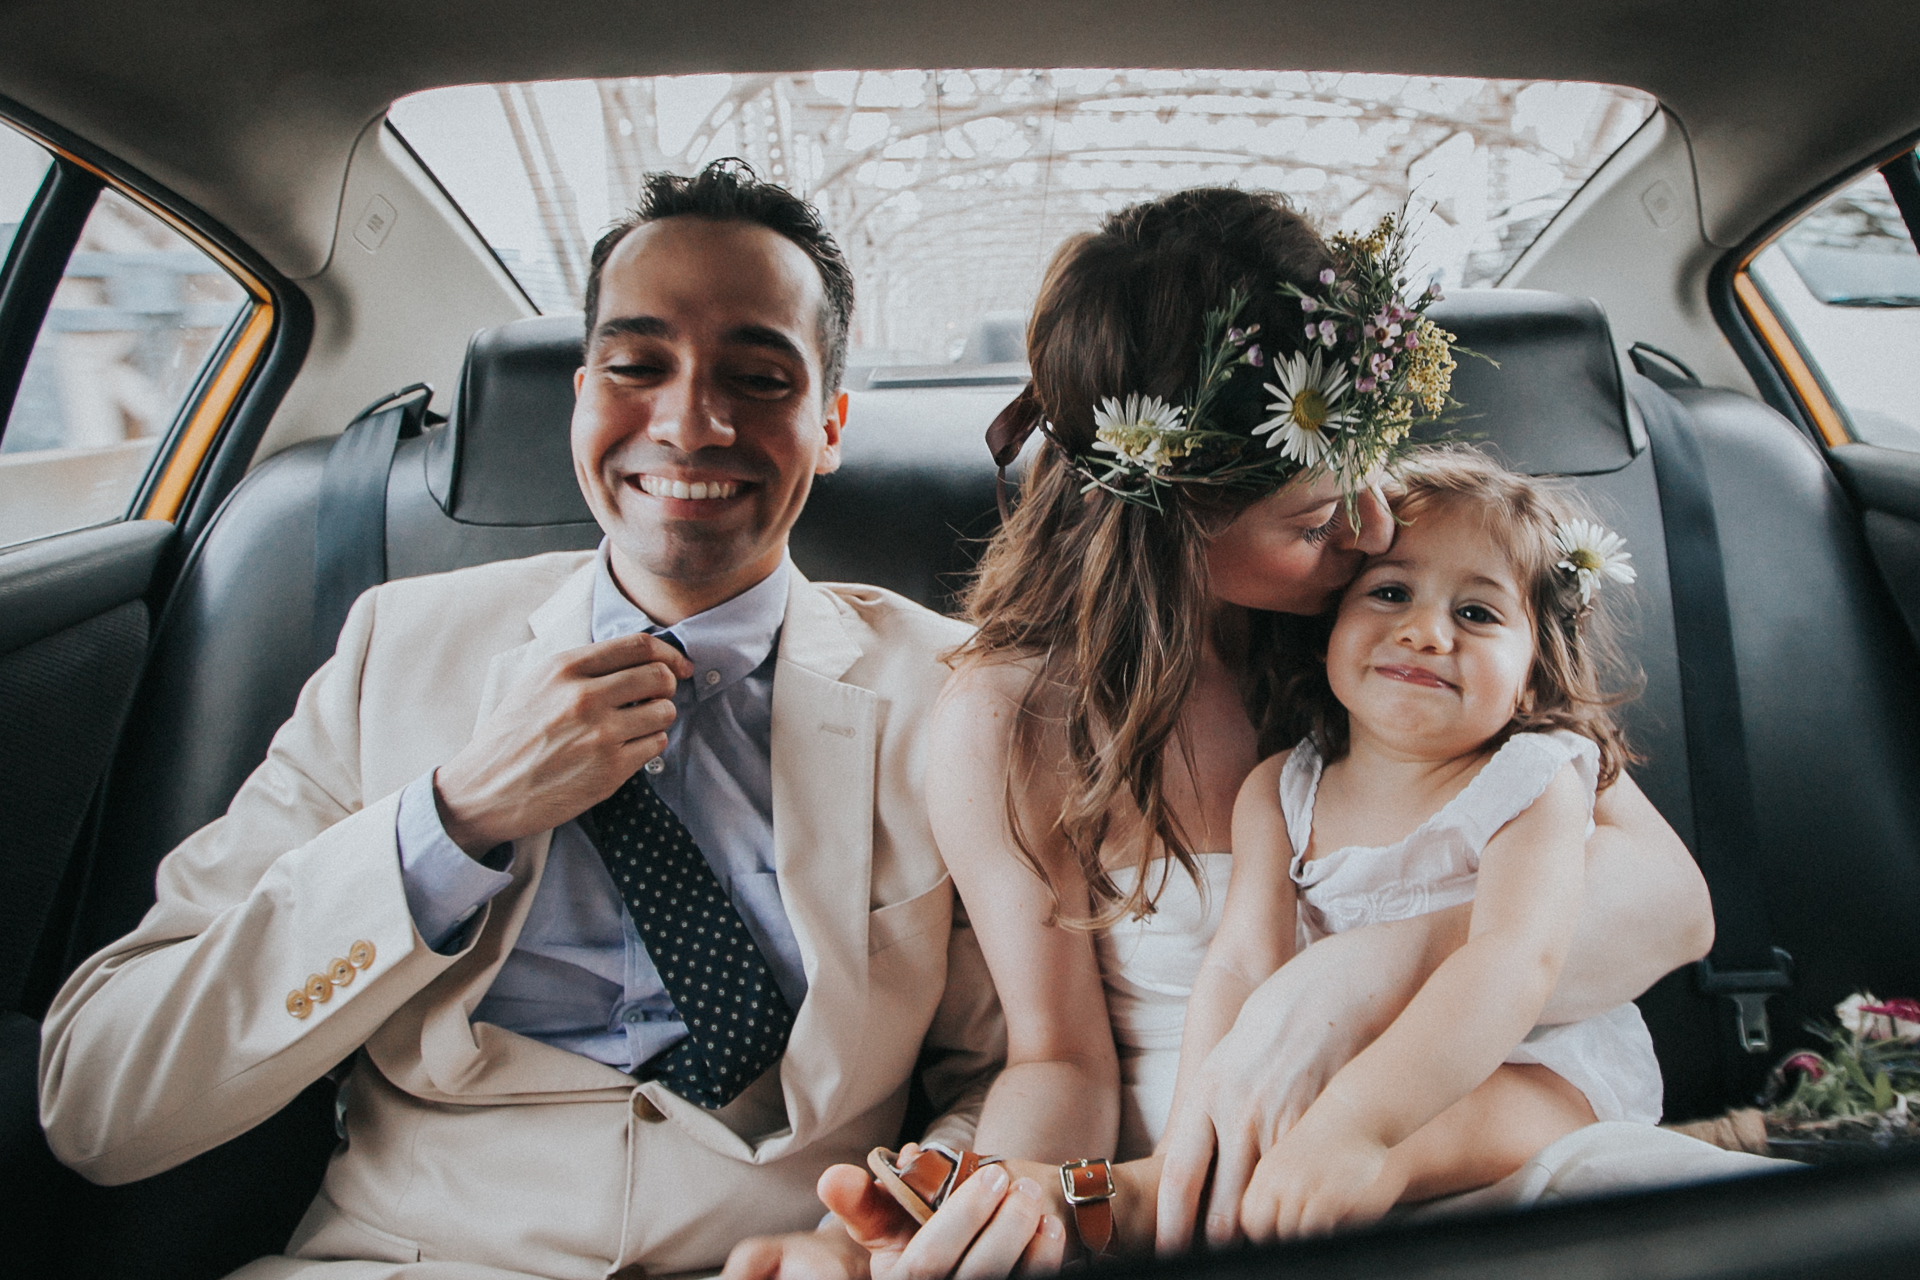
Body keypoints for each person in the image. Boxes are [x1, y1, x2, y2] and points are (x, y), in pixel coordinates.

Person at [38, 159, 1003, 1280]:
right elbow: (98, 1102)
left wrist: (881, 1232)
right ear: (581, 399)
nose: (692, 422)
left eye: (758, 376)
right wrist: (451, 819)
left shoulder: (951, 693)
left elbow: (1010, 1068)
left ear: (829, 424)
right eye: (640, 366)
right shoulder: (389, 655)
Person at [806, 187, 1719, 1274]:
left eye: (1369, 469)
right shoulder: (1011, 720)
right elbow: (1064, 1065)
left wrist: (1349, 979)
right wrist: (1021, 1212)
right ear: (1169, 516)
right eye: (1317, 520)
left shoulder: (1399, 634)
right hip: (1221, 1210)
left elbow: (1671, 908)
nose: (1377, 528)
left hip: (1494, 1156)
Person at [1187, 448, 1662, 1239]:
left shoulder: (1532, 780)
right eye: (1391, 592)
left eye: (1476, 614)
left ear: (1535, 674)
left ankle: (1383, 1161)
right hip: (1353, 1081)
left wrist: (1362, 1128)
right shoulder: (1278, 790)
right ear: (1330, 627)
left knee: (1408, 1131)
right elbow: (1239, 963)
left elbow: (1515, 960)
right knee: (1262, 1166)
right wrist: (1196, 1129)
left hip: (1529, 1070)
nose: (1424, 631)